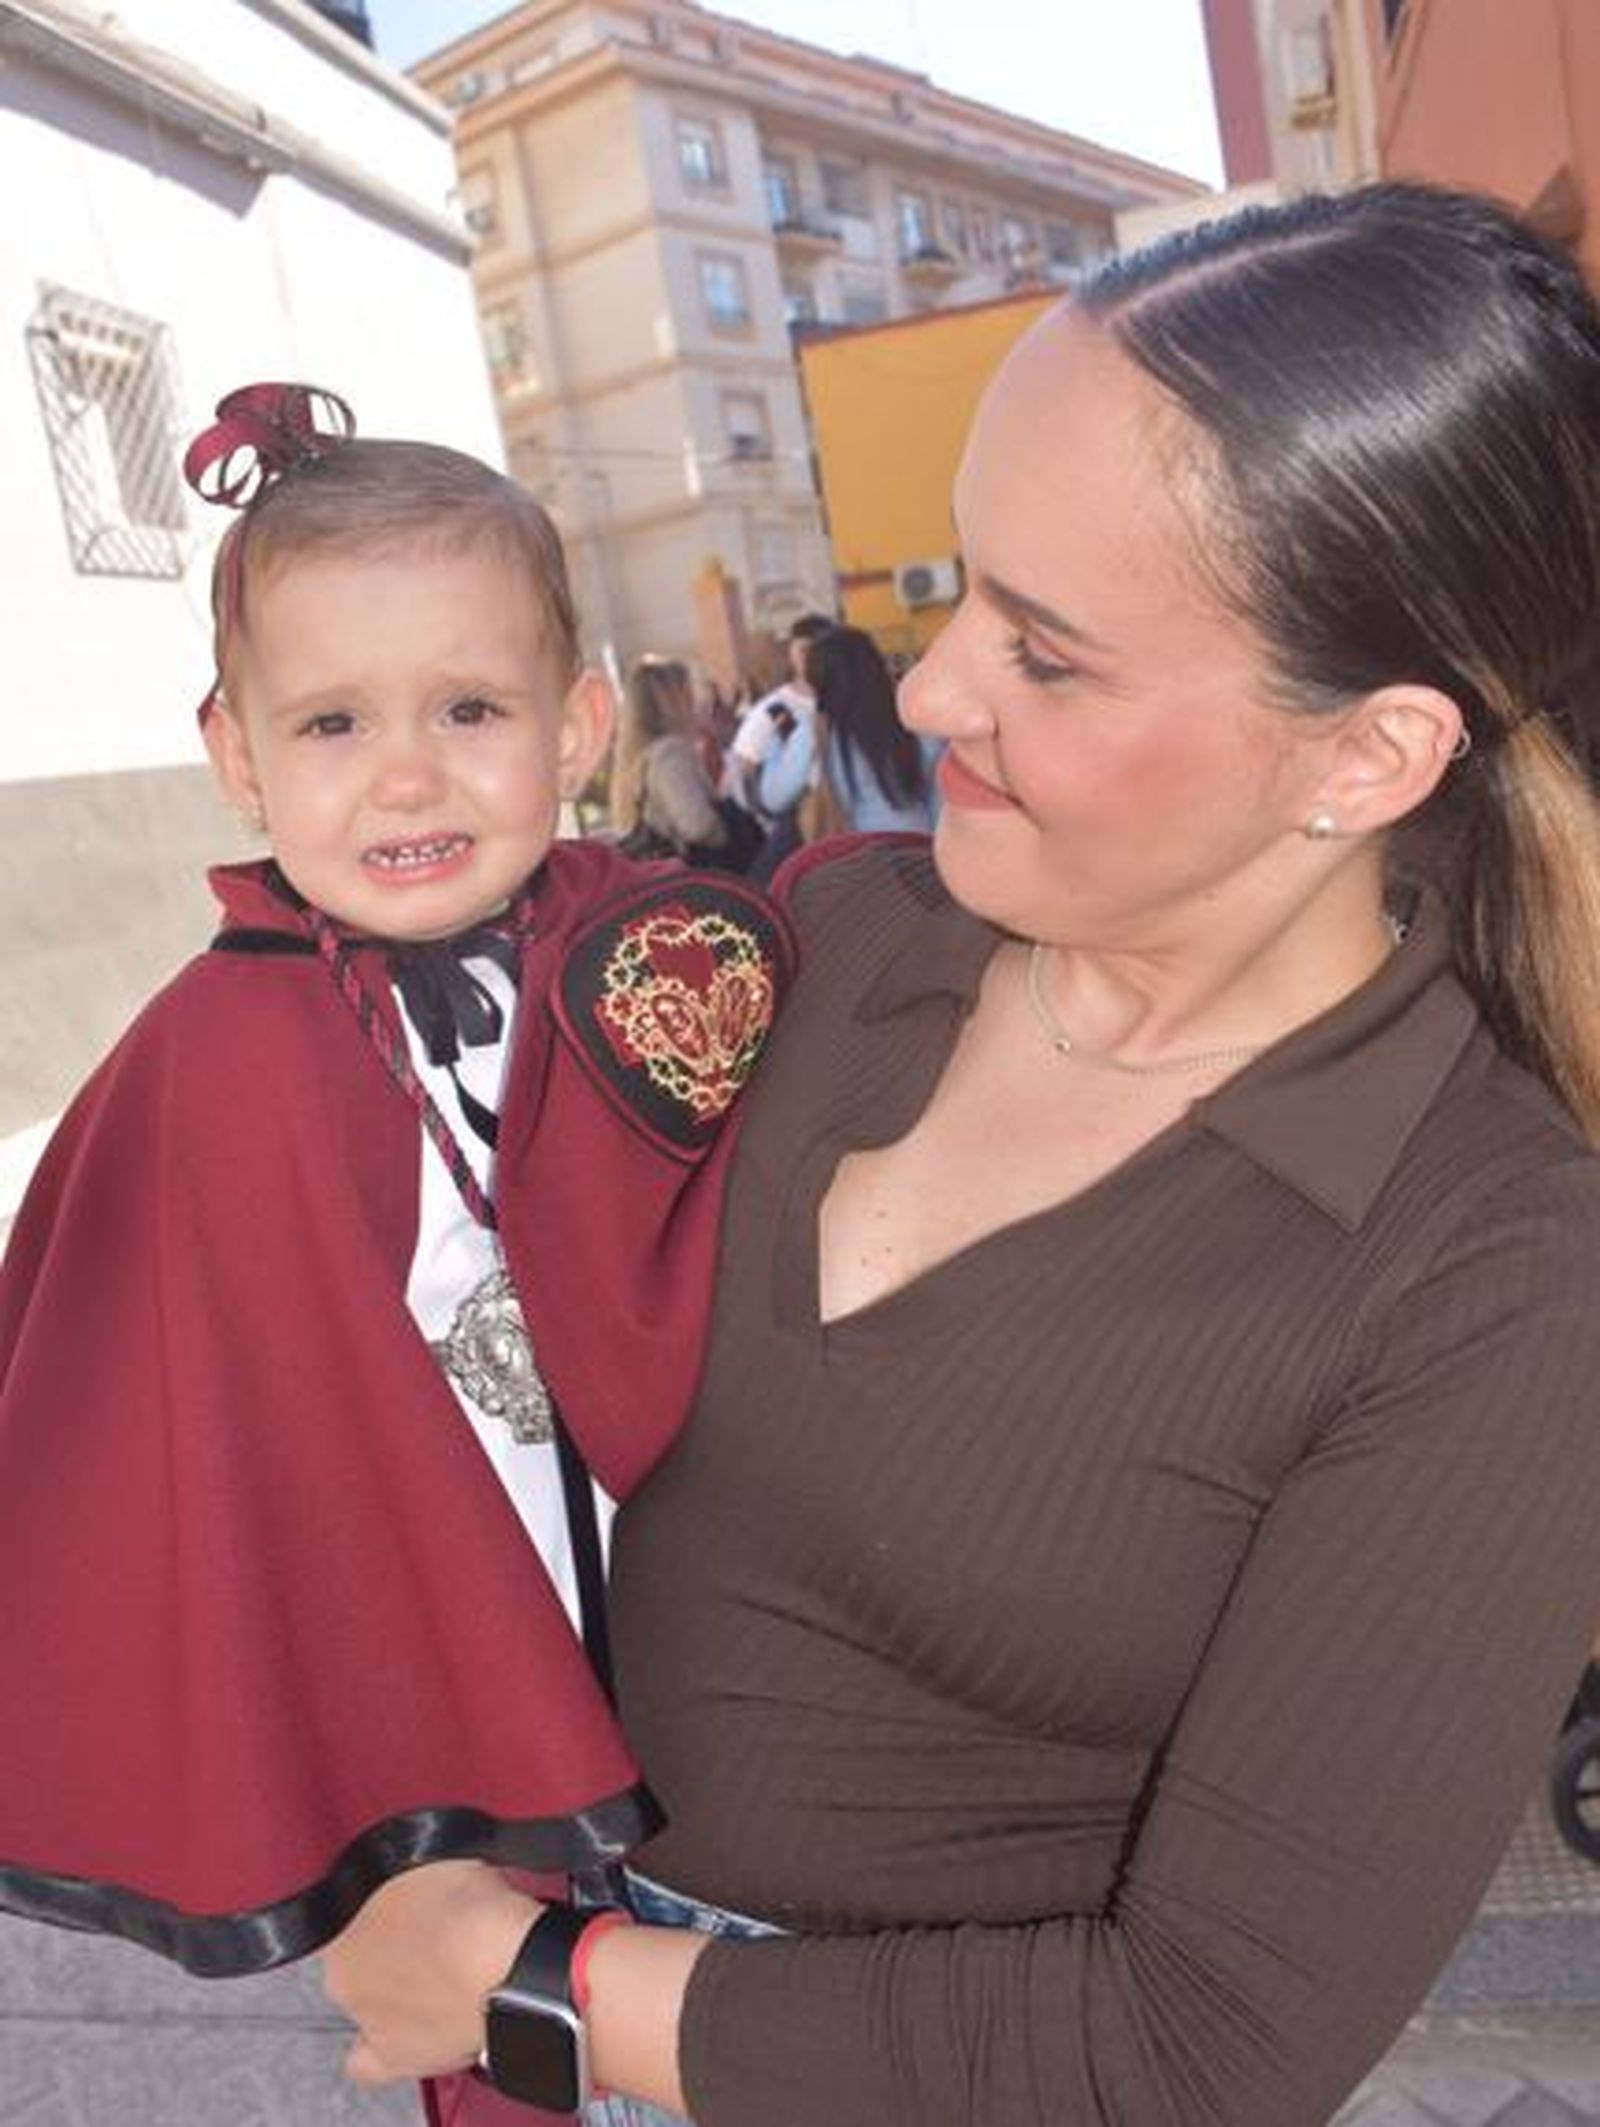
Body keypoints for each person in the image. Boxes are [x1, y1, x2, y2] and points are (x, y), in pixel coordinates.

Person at [325, 182, 1600, 2127]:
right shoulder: (831, 933)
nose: (923, 692)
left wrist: (536, 1988)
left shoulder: (1493, 1257)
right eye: (959, 591)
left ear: (1362, 755)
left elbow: (1208, 2038)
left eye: (1049, 654)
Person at [0, 384, 791, 1978]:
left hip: (736, 1673)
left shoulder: (666, 953)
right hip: (452, 1731)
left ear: (576, 727)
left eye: (470, 711)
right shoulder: (212, 1061)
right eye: (334, 722)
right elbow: (162, 1431)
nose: (408, 779)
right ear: (238, 752)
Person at [757, 623, 939, 834]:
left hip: (863, 855)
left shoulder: (818, 729)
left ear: (820, 679)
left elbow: (773, 798)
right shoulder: (915, 716)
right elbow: (939, 798)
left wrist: (775, 747)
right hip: (923, 846)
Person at [612, 655, 761, 872]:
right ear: (673, 702)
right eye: (688, 694)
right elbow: (698, 825)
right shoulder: (670, 754)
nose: (696, 702)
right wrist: (728, 836)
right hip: (696, 874)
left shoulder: (635, 759)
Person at [725, 612, 835, 879]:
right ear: (791, 653)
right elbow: (742, 773)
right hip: (793, 835)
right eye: (803, 649)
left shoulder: (845, 701)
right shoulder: (772, 710)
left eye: (819, 649)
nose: (810, 657)